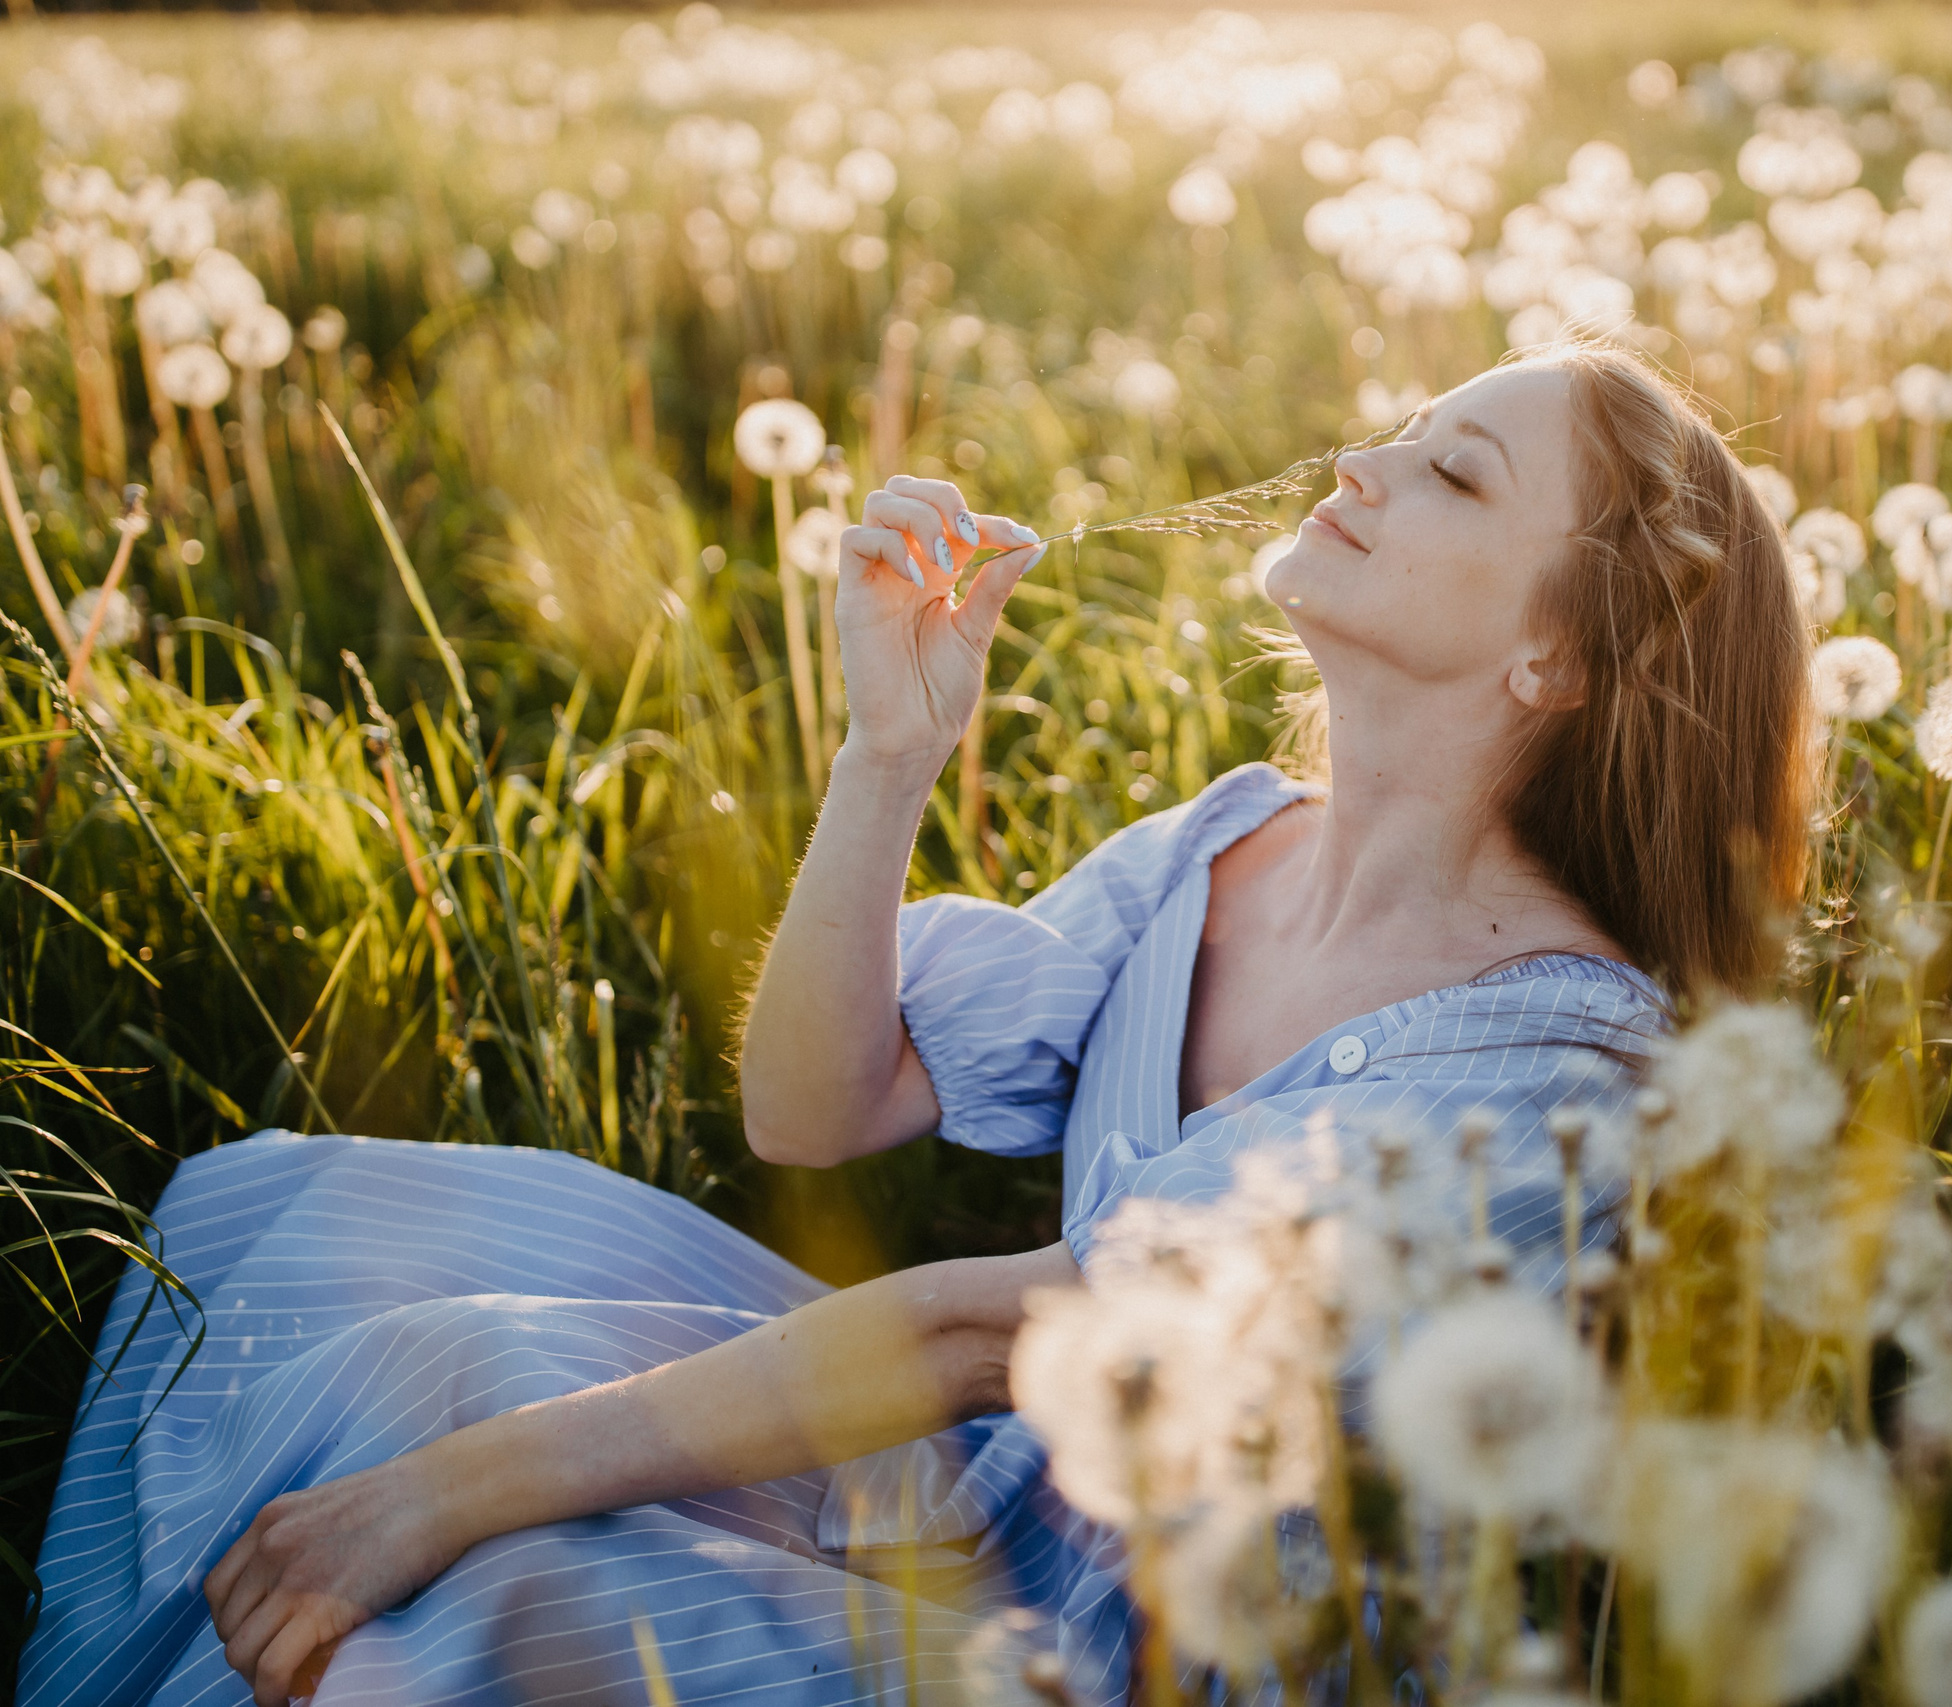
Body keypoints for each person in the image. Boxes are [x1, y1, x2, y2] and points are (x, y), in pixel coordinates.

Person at [17, 342, 1809, 1707]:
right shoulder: (1229, 848)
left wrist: (447, 1495)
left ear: (1558, 659)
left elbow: (975, 1331)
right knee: (313, 1239)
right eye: (1399, 432)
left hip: (1118, 1650)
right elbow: (817, 1105)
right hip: (975, 1481)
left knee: (457, 1580)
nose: (1360, 461)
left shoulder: (1554, 1086)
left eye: (1451, 474)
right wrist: (889, 760)